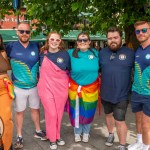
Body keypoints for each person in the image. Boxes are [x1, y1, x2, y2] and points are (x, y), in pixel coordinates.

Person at [6, 21, 46, 149]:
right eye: (22, 31)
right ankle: (19, 135)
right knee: (20, 112)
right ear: (17, 32)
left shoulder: (36, 46)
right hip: (18, 87)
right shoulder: (10, 46)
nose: (24, 34)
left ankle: (38, 131)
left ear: (30, 33)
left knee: (35, 109)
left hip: (34, 86)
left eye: (27, 32)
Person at [99, 27, 134, 150]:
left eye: (115, 38)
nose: (112, 40)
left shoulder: (130, 53)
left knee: (120, 120)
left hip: (122, 95)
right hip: (105, 93)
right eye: (109, 38)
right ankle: (110, 134)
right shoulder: (102, 53)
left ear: (121, 38)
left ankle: (122, 145)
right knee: (108, 115)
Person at [37, 31, 70, 150]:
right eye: (52, 39)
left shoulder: (65, 54)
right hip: (45, 88)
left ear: (60, 41)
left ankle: (57, 135)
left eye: (57, 40)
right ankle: (52, 139)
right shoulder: (42, 53)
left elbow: (69, 70)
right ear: (48, 40)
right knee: (51, 113)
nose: (54, 42)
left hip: (61, 88)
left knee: (59, 113)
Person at [68, 32, 100, 143]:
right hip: (75, 89)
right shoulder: (70, 53)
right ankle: (77, 132)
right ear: (76, 42)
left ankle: (86, 133)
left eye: (85, 40)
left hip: (92, 90)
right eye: (80, 40)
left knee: (88, 111)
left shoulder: (95, 53)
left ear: (89, 42)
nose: (82, 42)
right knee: (76, 111)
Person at [128, 21, 150, 150]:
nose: (141, 33)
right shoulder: (138, 50)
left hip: (148, 94)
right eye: (138, 31)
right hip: (136, 91)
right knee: (138, 120)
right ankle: (139, 142)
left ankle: (146, 146)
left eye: (144, 30)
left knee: (147, 124)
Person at [0, 34, 13, 150]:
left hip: (4, 86)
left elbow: (9, 67)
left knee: (5, 117)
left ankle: (7, 145)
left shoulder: (3, 53)